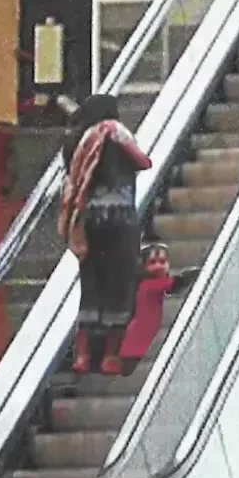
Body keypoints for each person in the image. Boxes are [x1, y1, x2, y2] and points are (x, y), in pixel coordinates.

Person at [56, 94, 153, 375]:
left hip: (87, 224)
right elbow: (144, 162)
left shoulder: (77, 142)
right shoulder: (117, 135)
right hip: (121, 222)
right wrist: (118, 137)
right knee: (119, 286)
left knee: (91, 285)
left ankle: (83, 355)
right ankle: (110, 355)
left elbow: (72, 177)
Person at [107, 242, 202, 376]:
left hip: (141, 337)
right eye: (152, 262)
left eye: (162, 262)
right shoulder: (148, 286)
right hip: (136, 340)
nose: (158, 266)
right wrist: (195, 273)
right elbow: (175, 284)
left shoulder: (147, 286)